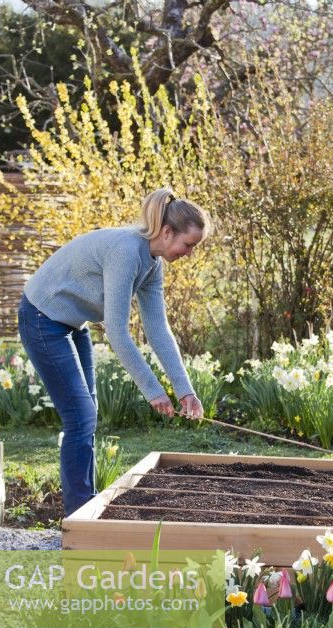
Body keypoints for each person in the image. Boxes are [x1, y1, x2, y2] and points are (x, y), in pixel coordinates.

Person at [18, 187, 208, 516]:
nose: (189, 253)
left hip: (71, 323)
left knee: (85, 414)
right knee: (80, 416)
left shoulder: (152, 264)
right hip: (42, 317)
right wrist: (153, 391)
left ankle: (83, 508)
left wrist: (184, 390)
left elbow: (158, 329)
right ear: (166, 232)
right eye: (188, 244)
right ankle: (79, 517)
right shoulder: (126, 251)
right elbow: (117, 332)